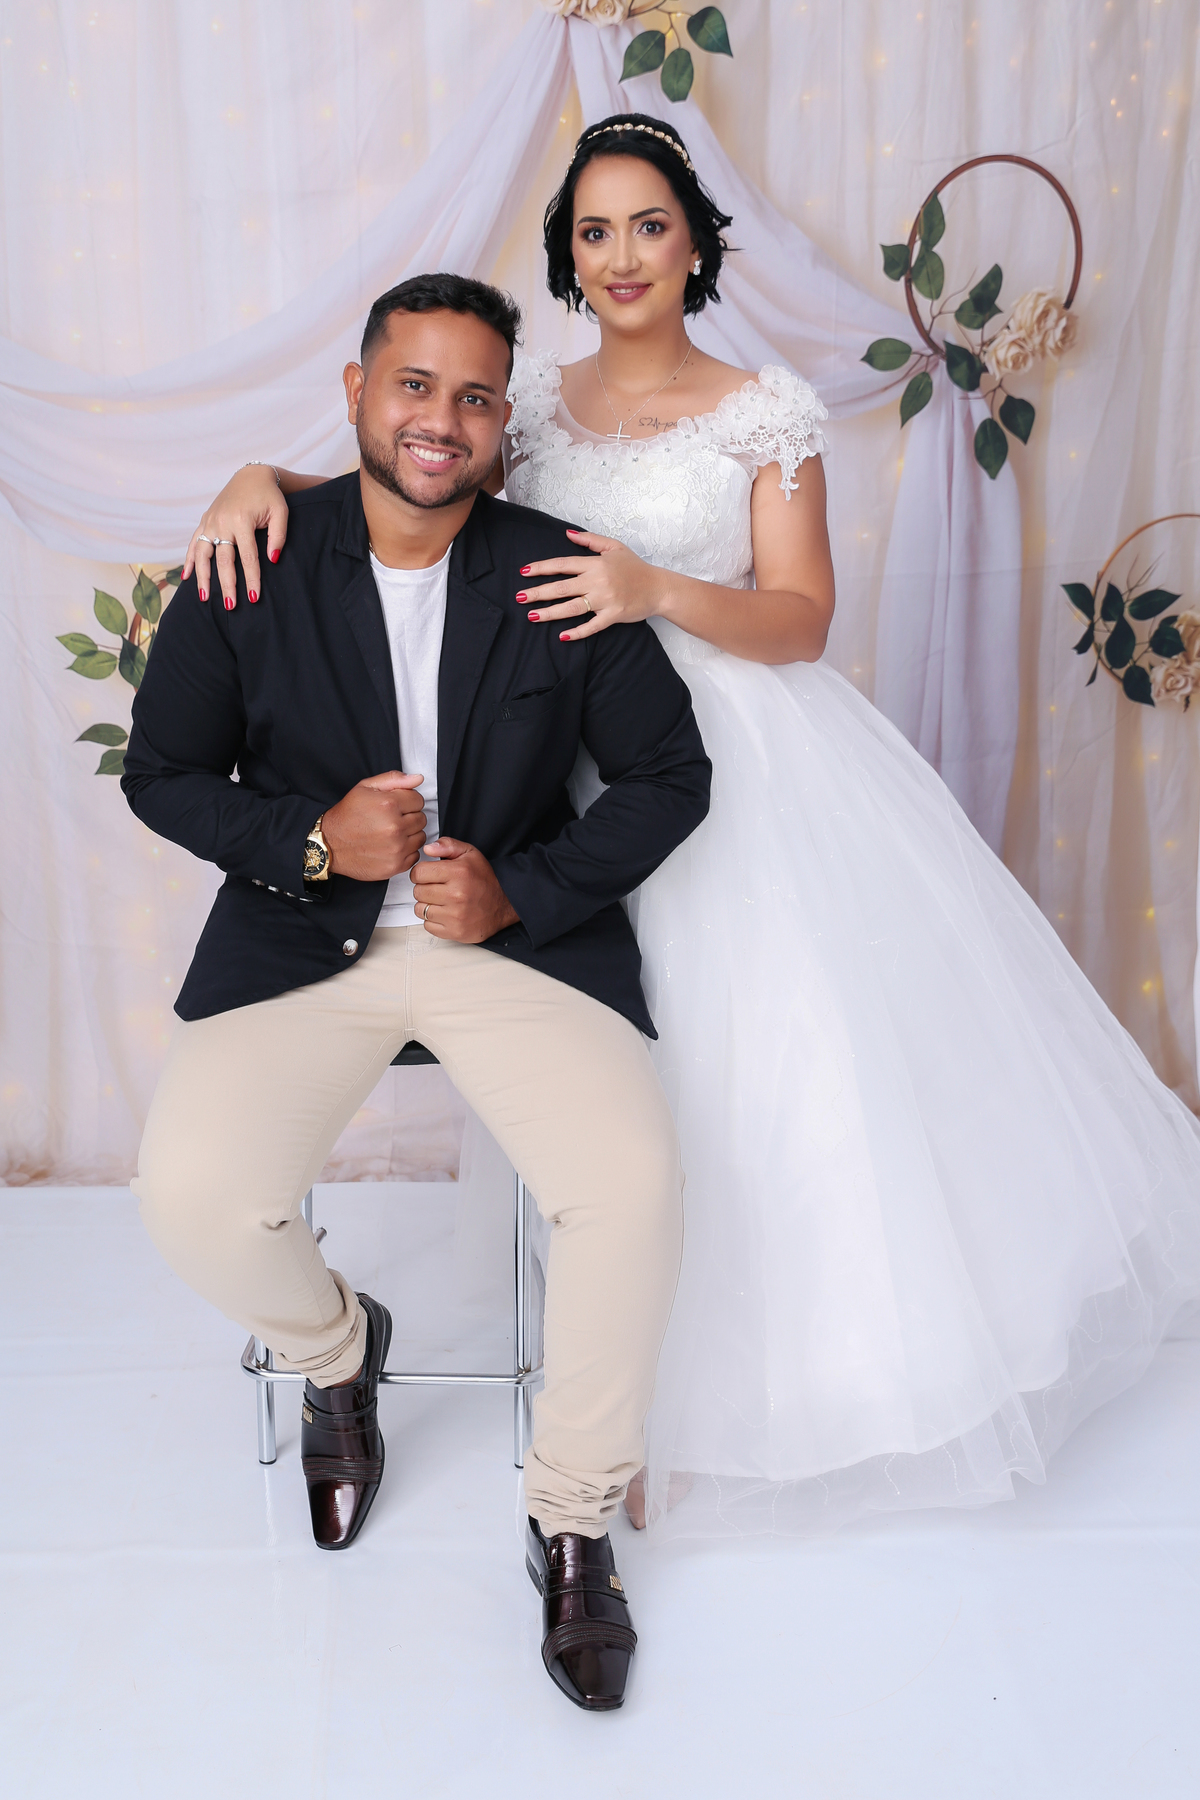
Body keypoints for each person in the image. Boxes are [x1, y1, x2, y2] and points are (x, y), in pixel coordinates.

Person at [184, 115, 1200, 1545]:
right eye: (593, 232)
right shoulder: (526, 404)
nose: (622, 256)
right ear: (568, 257)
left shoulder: (763, 409)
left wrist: (654, 588)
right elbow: (410, 482)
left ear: (695, 244)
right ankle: (607, 1392)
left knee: (756, 1078)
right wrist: (261, 479)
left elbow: (801, 618)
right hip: (551, 758)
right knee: (593, 1081)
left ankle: (755, 1403)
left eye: (648, 225)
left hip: (726, 747)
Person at [123, 270, 712, 1712]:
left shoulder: (557, 570)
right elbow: (164, 774)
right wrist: (315, 840)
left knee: (630, 1187)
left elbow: (670, 775)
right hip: (298, 940)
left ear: (502, 421)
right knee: (193, 1197)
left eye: (473, 396)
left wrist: (526, 890)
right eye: (412, 385)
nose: (439, 420)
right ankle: (339, 1350)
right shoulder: (253, 559)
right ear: (357, 392)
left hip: (515, 947)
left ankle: (570, 1517)